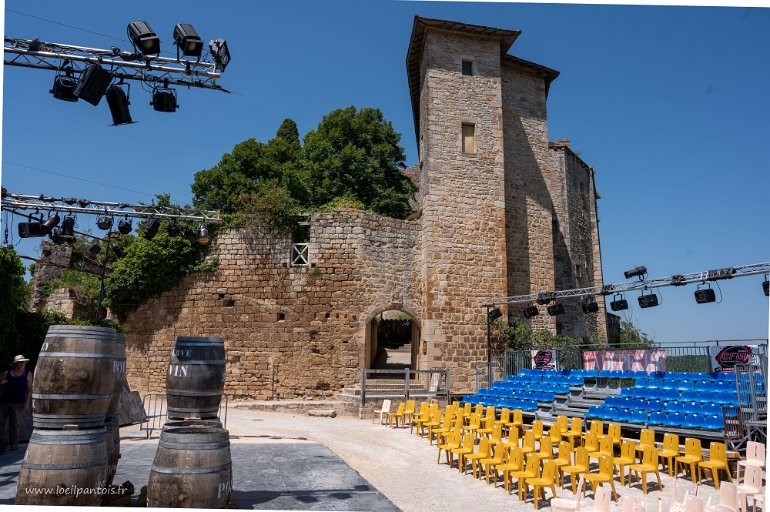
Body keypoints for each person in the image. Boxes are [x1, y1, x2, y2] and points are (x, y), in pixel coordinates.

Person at [0, 355, 33, 453]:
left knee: (15, 424)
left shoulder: (27, 374)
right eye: (20, 362)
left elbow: (29, 390)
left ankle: (14, 444)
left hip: (17, 403)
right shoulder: (7, 372)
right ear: (15, 364)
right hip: (3, 402)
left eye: (24, 362)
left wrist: (26, 402)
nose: (23, 364)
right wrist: (2, 382)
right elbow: (1, 382)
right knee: (0, 423)